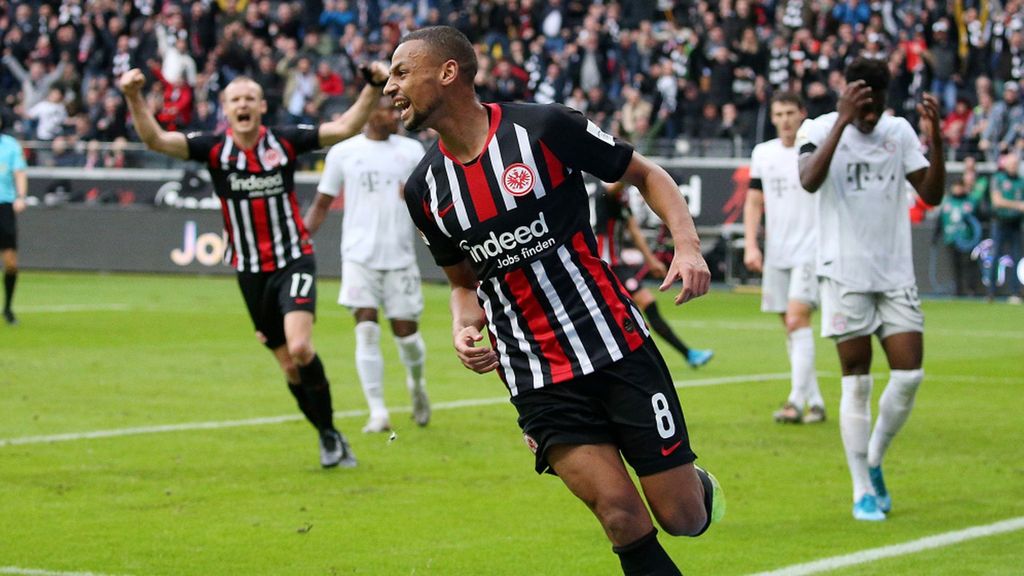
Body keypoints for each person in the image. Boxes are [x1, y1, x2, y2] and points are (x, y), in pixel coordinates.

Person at [389, 26, 724, 575]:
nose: (389, 87)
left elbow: (644, 173)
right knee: (620, 516)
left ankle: (697, 489)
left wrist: (687, 247)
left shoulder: (542, 127)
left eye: (401, 72)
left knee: (682, 516)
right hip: (536, 373)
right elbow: (461, 283)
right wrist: (461, 328)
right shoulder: (423, 189)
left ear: (447, 72)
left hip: (615, 343)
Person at [118, 62, 391, 469]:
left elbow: (344, 127)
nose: (242, 105)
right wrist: (133, 96)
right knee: (288, 366)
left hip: (292, 258)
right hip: (250, 271)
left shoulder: (283, 142)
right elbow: (155, 139)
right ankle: (328, 434)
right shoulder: (213, 149)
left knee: (300, 348)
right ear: (225, 110)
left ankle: (330, 434)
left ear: (262, 106)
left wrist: (373, 86)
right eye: (235, 100)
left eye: (249, 98)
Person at [797, 57, 946, 521]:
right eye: (862, 106)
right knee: (857, 383)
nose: (869, 117)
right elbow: (808, 179)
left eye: (875, 108)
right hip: (844, 276)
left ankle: (876, 457)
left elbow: (932, 194)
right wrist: (843, 120)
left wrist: (935, 140)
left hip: (895, 274)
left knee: (909, 376)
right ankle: (862, 488)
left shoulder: (898, 132)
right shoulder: (819, 128)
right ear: (846, 93)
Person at [305, 97, 431, 433]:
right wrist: (299, 241)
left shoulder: (412, 151)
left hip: (400, 257)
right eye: (388, 110)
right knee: (366, 329)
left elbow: (430, 199)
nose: (395, 115)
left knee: (406, 336)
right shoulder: (343, 153)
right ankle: (378, 412)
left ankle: (417, 385)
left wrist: (416, 200)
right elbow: (321, 203)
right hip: (358, 257)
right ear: (369, 113)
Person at [743, 92, 827, 425]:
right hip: (778, 251)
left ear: (802, 114)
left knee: (796, 320)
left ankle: (794, 401)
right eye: (779, 113)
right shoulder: (763, 153)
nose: (785, 119)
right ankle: (816, 401)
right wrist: (751, 244)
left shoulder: (815, 151)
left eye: (791, 112)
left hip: (812, 249)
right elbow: (753, 202)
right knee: (790, 328)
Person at [592, 180, 714, 369]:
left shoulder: (622, 197)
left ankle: (687, 354)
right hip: (604, 265)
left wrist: (650, 260)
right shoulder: (606, 190)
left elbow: (633, 230)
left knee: (641, 308)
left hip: (617, 265)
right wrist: (627, 168)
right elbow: (614, 185)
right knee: (625, 312)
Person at [0, 121, 28, 326]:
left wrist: (21, 196)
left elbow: (19, 172)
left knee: (10, 263)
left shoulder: (10, 145)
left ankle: (8, 307)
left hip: (4, 206)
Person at [987, 153, 1024, 303]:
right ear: (1006, 164)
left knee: (1016, 257)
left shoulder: (1021, 181)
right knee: (995, 255)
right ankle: (991, 292)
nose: (1014, 166)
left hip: (1016, 223)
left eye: (1016, 163)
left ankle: (1015, 292)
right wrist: (1017, 205)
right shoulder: (999, 179)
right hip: (1000, 222)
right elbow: (997, 201)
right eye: (1012, 163)